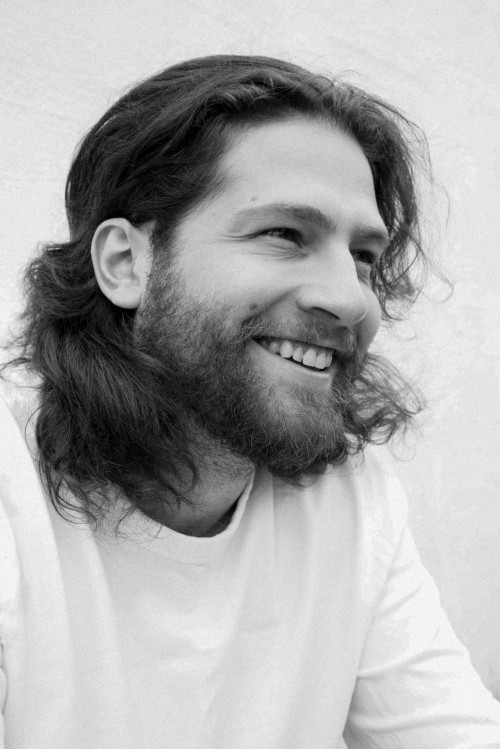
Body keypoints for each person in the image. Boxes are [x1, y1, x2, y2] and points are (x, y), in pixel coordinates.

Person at [1, 54, 499, 749]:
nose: (350, 298)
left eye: (362, 256)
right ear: (125, 264)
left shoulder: (349, 500)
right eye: (284, 235)